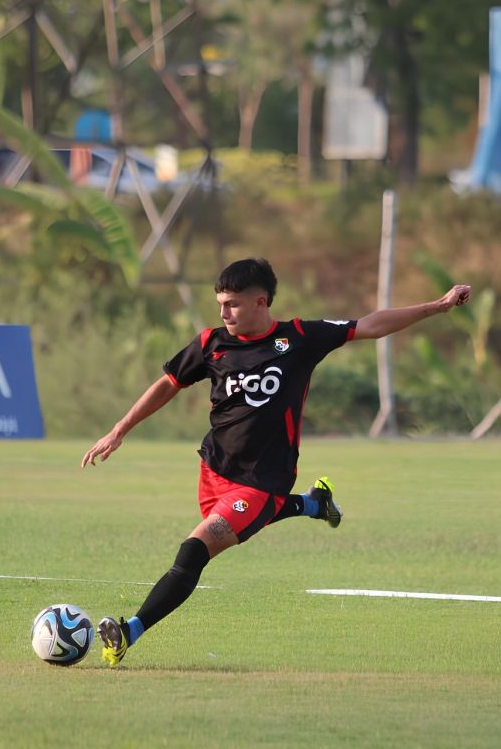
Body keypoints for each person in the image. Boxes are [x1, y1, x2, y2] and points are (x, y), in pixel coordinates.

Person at [83, 258, 471, 665]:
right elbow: (169, 383)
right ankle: (312, 504)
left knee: (194, 551)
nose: (223, 312)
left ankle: (129, 633)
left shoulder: (300, 337)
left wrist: (437, 306)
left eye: (232, 304)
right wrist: (119, 429)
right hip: (214, 469)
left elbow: (369, 325)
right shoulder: (211, 344)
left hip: (262, 479)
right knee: (242, 524)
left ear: (260, 302)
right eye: (220, 303)